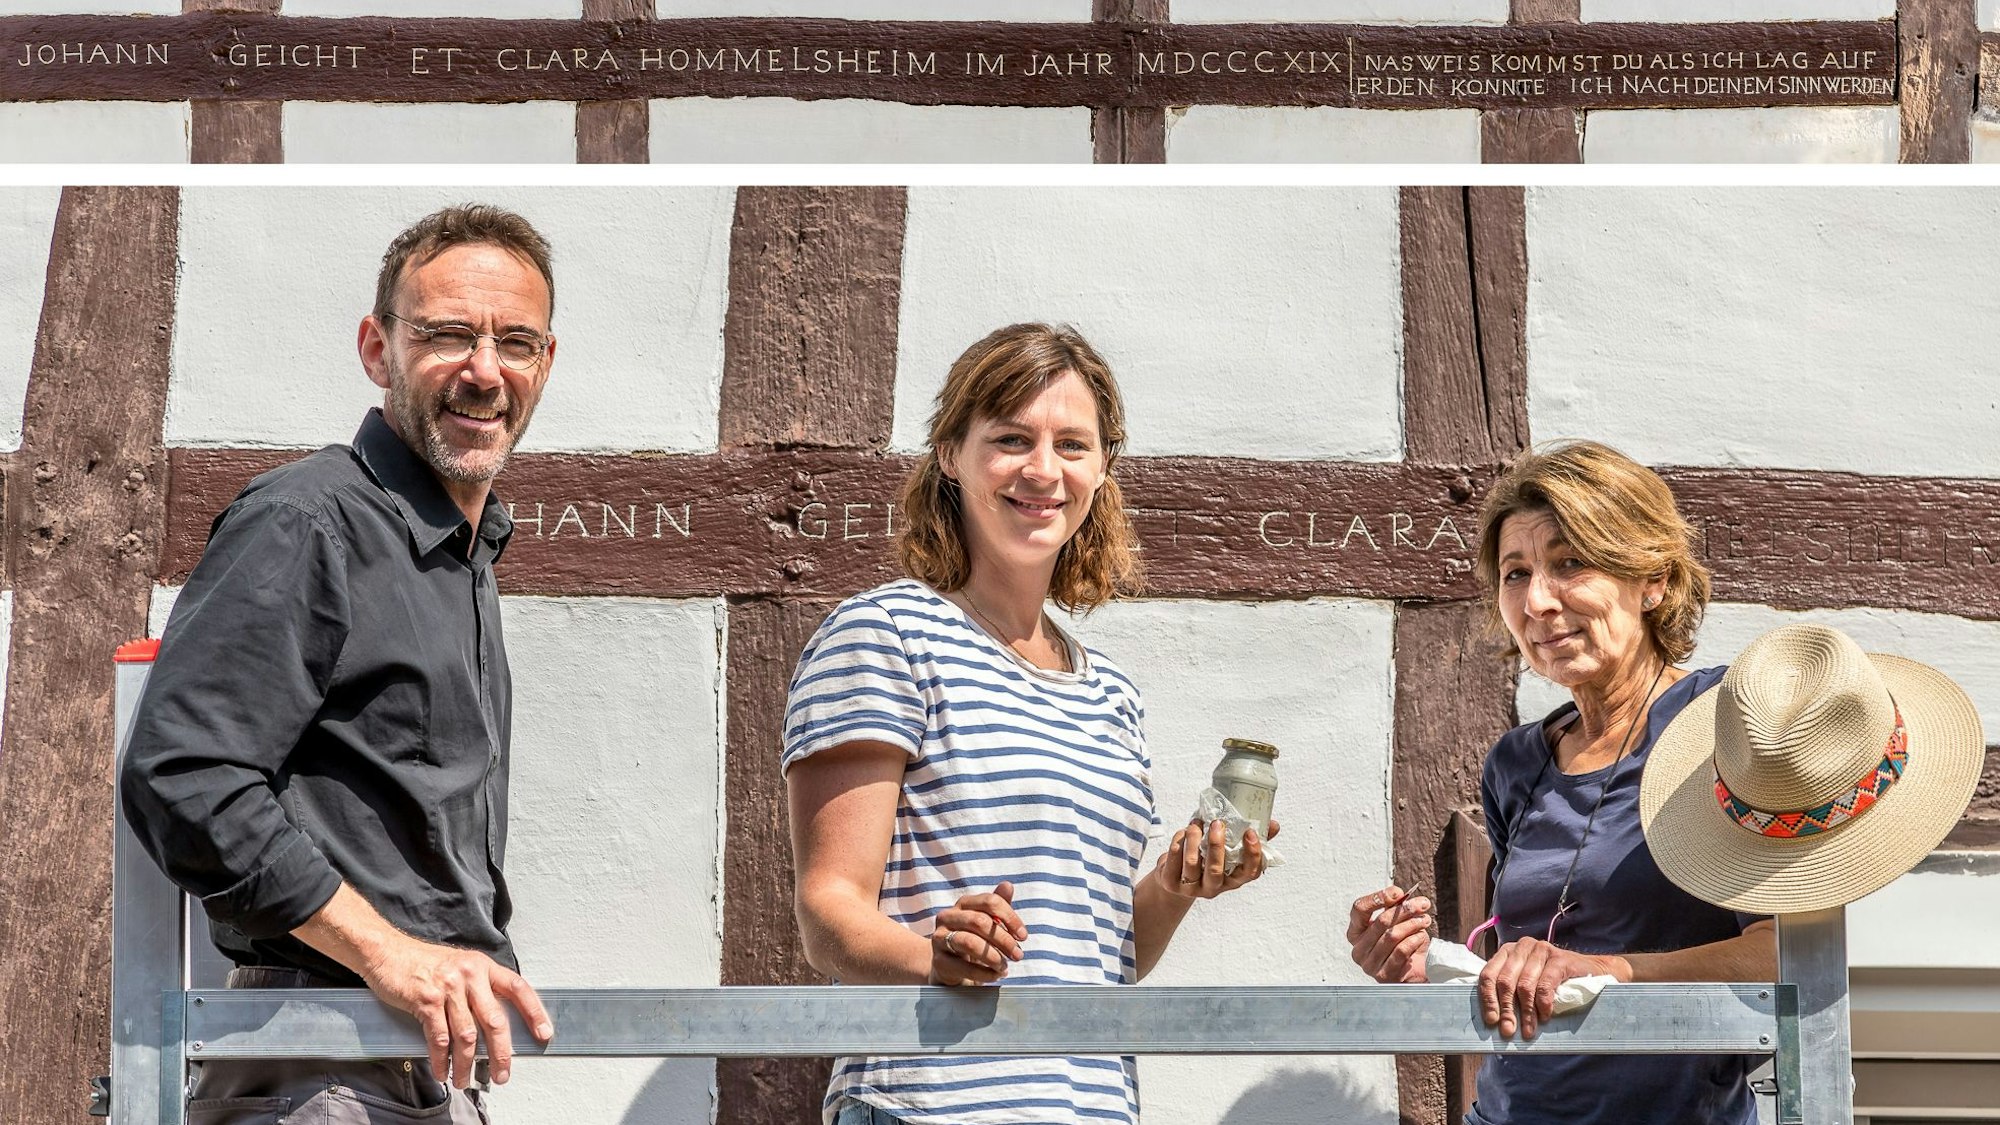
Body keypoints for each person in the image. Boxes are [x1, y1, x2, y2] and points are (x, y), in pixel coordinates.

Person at [122, 204, 560, 1122]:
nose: (486, 371)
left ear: (545, 364)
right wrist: (389, 953)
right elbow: (185, 777)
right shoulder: (308, 521)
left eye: (515, 342)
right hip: (318, 1063)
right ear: (376, 348)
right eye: (447, 335)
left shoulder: (461, 553)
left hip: (405, 1068)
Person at [783, 323, 1275, 1125]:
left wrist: (1175, 886)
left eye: (1072, 445)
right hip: (930, 1107)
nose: (1044, 470)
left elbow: (1107, 956)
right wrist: (935, 957)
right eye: (1012, 438)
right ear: (951, 452)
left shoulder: (1111, 690)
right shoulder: (886, 632)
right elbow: (827, 915)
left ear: (1103, 468)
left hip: (1093, 1107)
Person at [1346, 440, 1775, 1125]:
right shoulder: (1517, 763)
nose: (1538, 600)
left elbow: (1783, 953)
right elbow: (1535, 973)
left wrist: (1608, 970)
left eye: (1570, 562)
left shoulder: (1718, 724)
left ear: (1653, 579)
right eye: (1516, 573)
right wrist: (1424, 964)